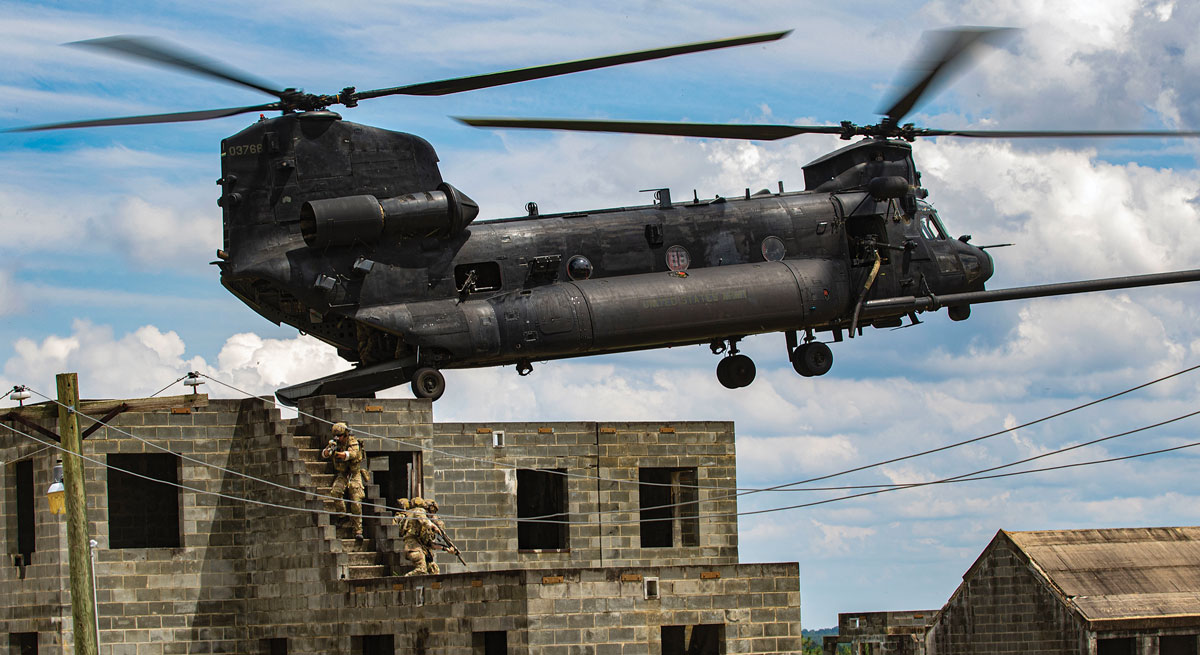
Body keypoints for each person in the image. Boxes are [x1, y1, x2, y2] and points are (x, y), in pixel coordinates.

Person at [321, 422, 366, 540]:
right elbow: (325, 454)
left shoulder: (352, 441)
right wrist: (329, 450)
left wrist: (341, 454)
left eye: (340, 435)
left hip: (354, 474)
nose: (338, 438)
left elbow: (353, 454)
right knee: (335, 492)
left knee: (356, 502)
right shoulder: (335, 443)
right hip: (343, 474)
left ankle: (358, 530)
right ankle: (342, 515)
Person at [400, 497, 433, 576]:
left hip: (416, 546)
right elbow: (424, 521)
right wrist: (433, 526)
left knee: (433, 569)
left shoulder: (409, 514)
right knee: (421, 569)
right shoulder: (419, 511)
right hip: (413, 546)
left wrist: (445, 548)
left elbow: (429, 543)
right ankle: (406, 579)